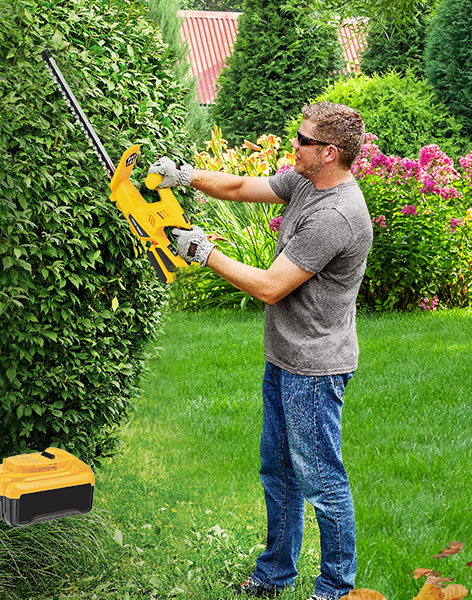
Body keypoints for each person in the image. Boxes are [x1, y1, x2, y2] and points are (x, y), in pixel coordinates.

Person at [147, 102, 372, 600]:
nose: (294, 144)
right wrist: (183, 176)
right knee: (279, 472)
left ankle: (335, 589)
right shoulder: (306, 182)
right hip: (285, 357)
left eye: (303, 139)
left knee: (322, 482)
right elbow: (239, 187)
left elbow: (271, 287)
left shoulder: (336, 215)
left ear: (329, 152)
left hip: (314, 369)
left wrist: (204, 253)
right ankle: (274, 575)